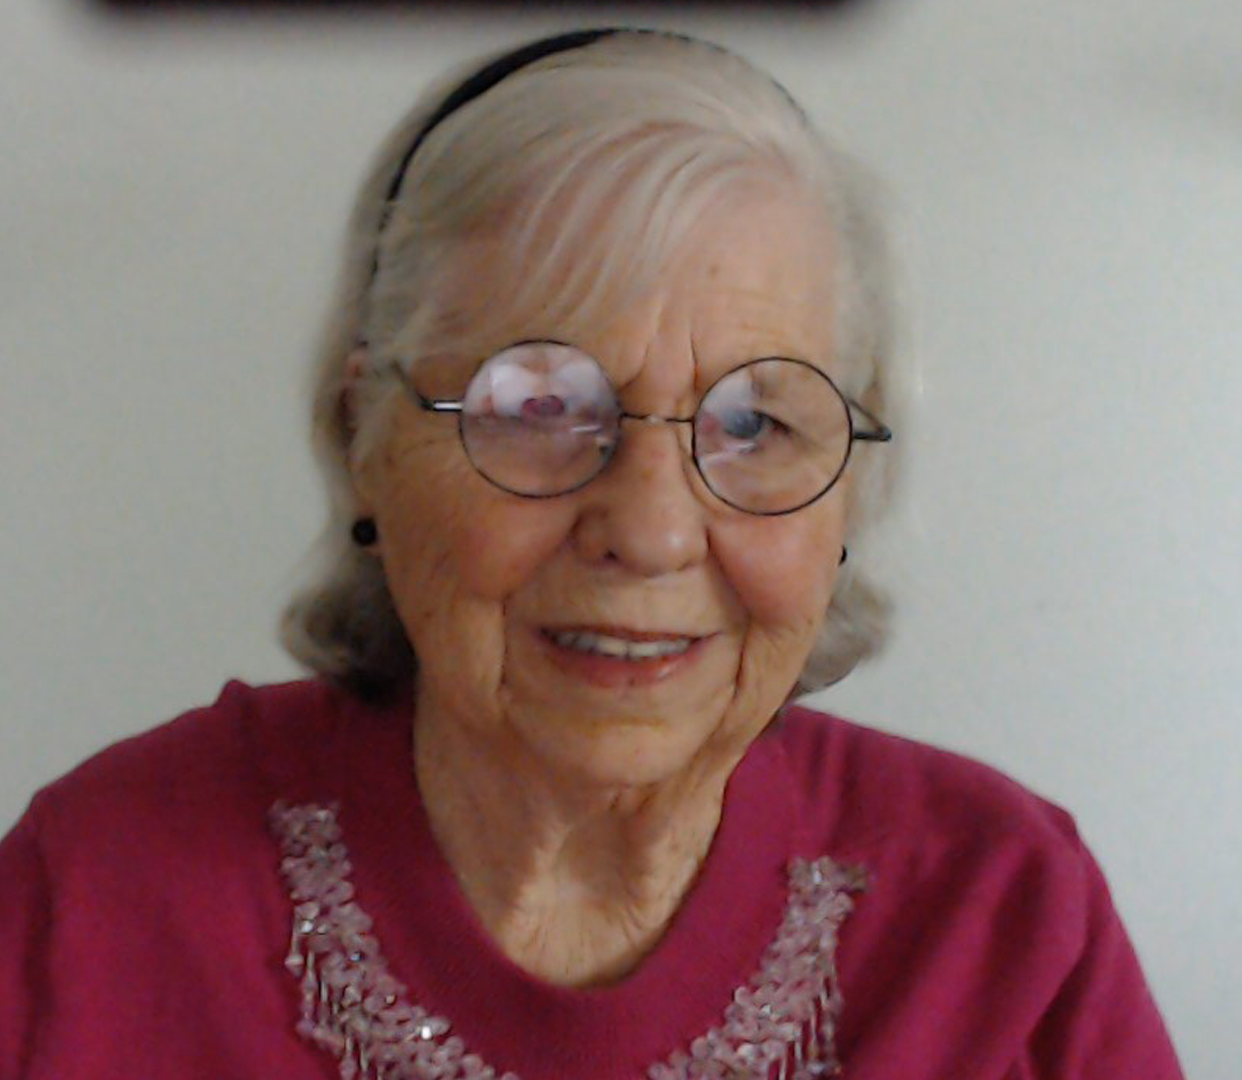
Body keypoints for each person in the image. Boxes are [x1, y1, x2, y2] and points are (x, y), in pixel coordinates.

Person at [0, 27, 1183, 1080]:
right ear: (366, 434)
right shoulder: (99, 895)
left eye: (757, 424)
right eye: (537, 405)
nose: (655, 531)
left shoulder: (1001, 915)